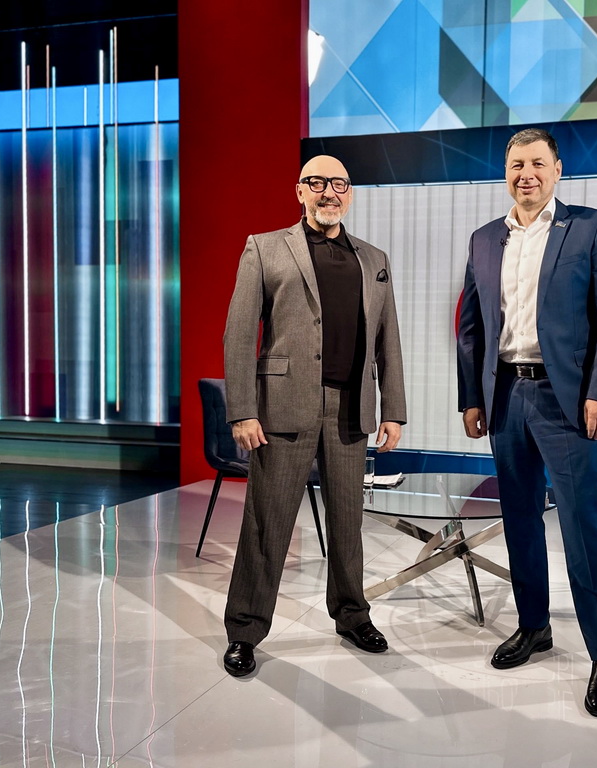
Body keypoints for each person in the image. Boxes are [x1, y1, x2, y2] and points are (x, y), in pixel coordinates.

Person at [456, 128, 597, 716]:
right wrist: (471, 398)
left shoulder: (590, 227)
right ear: (505, 172)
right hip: (506, 396)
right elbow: (471, 327)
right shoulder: (485, 238)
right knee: (519, 521)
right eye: (516, 164)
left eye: (537, 163)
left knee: (583, 526)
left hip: (568, 402)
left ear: (557, 169)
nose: (525, 173)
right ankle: (534, 625)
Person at [221, 155, 407, 677]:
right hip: (282, 407)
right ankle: (245, 630)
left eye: (339, 184)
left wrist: (393, 408)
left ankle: (352, 615)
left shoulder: (373, 259)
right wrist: (243, 411)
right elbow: (239, 334)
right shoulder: (264, 248)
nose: (330, 192)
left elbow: (388, 339)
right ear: (300, 191)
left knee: (348, 523)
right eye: (318, 182)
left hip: (351, 409)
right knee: (267, 523)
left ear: (351, 193)